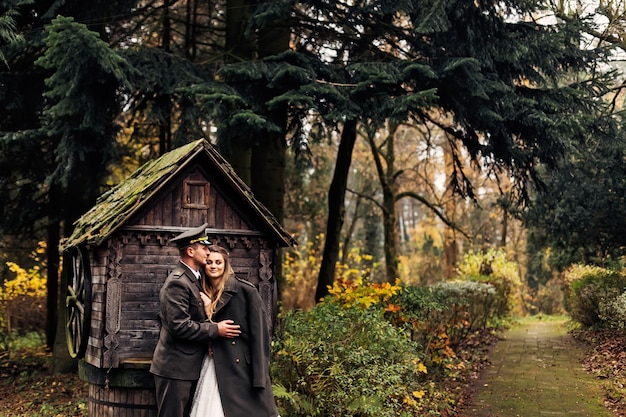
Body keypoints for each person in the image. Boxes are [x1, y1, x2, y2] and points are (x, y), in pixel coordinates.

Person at [150, 224, 241, 417]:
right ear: (191, 251)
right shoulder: (178, 282)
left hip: (188, 367)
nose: (208, 252)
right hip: (175, 369)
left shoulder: (195, 279)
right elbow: (179, 326)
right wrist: (216, 330)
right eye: (204, 248)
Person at [190, 245, 280, 417]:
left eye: (218, 262)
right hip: (215, 363)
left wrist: (260, 377)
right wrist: (208, 311)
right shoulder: (200, 292)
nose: (213, 266)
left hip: (242, 369)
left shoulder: (246, 291)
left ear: (226, 265)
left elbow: (260, 336)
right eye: (209, 262)